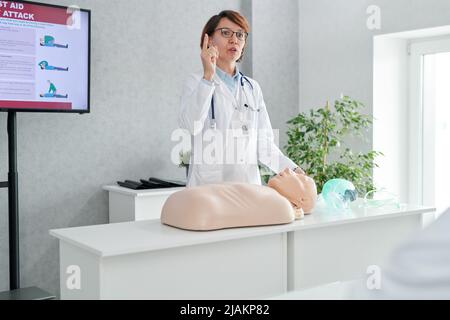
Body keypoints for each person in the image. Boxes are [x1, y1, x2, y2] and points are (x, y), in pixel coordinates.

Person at [178, 10, 304, 187]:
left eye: (240, 35)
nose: (234, 40)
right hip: (209, 188)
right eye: (226, 33)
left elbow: (264, 145)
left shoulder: (252, 88)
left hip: (247, 188)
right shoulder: (196, 82)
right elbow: (190, 126)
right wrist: (208, 76)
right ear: (210, 40)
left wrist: (294, 170)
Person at [161, 168, 317, 231]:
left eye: (301, 179)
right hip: (196, 203)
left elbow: (286, 214)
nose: (289, 170)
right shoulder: (274, 199)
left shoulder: (282, 206)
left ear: (301, 200)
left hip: (194, 206)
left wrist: (292, 212)